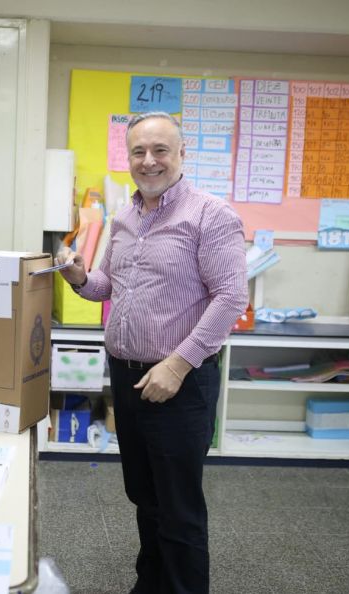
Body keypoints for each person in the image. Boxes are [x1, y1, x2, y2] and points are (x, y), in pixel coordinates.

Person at [58, 112, 247, 594]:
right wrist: (80, 276)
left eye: (160, 150)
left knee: (179, 508)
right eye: (139, 151)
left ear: (181, 154)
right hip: (127, 378)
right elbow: (108, 284)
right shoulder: (125, 217)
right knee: (145, 496)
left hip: (179, 381)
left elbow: (231, 297)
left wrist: (178, 364)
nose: (149, 161)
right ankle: (151, 585)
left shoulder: (210, 215)